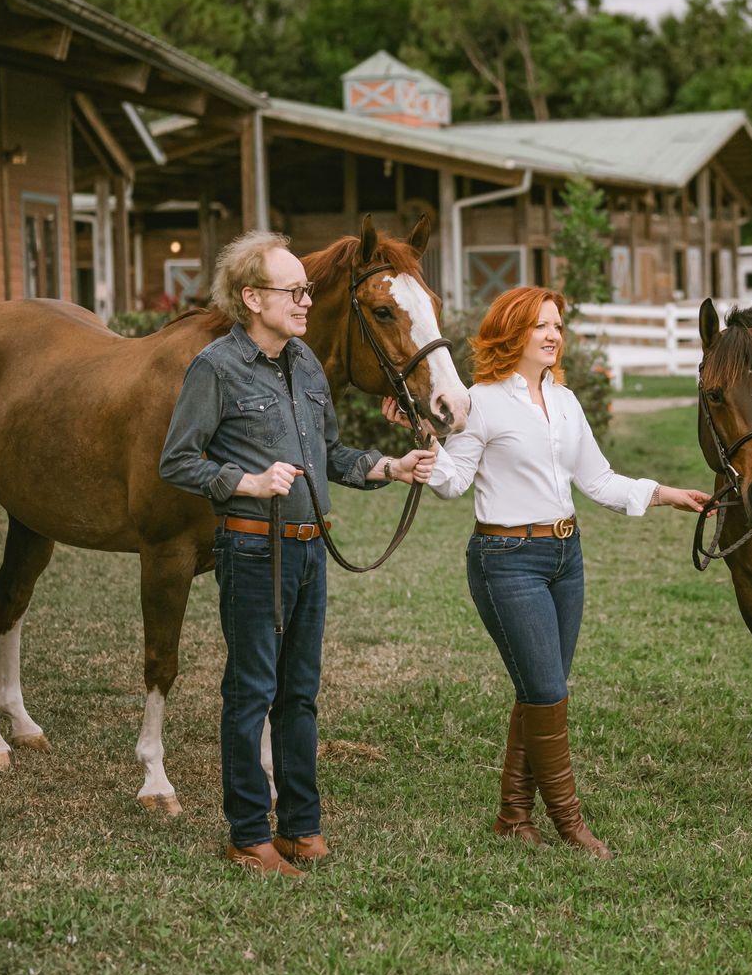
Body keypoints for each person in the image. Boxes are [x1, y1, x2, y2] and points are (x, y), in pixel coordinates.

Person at [160, 230, 435, 879]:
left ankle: (301, 828)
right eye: (293, 291)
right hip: (254, 553)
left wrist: (389, 467)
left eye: (307, 290)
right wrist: (244, 482)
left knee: (301, 696)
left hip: (311, 554)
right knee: (251, 691)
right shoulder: (215, 368)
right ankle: (248, 835)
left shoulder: (307, 364)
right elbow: (177, 461)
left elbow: (329, 456)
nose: (306, 300)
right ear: (252, 298)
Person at [413, 286, 708, 859]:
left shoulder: (565, 402)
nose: (552, 335)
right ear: (512, 333)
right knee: (547, 689)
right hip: (506, 562)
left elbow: (597, 480)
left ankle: (512, 815)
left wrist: (669, 495)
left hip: (565, 559)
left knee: (538, 689)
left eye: (556, 326)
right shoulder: (480, 401)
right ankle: (569, 821)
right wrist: (425, 439)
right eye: (539, 326)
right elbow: (452, 483)